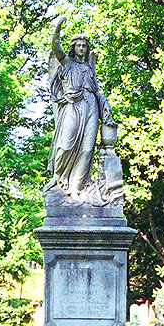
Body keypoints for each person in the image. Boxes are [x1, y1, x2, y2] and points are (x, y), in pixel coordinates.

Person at [45, 16, 116, 202]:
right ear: (73, 47)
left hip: (90, 105)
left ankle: (76, 188)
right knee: (65, 144)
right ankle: (58, 177)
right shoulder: (66, 63)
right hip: (72, 105)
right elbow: (55, 47)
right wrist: (58, 28)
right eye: (79, 46)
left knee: (87, 148)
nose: (82, 49)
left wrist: (104, 102)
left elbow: (97, 89)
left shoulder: (90, 67)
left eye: (84, 46)